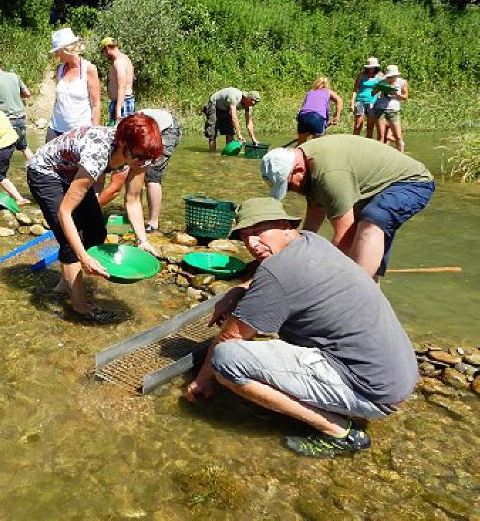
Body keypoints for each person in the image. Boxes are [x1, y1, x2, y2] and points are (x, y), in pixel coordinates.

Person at [185, 198, 419, 458]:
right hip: (397, 378)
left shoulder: (277, 272)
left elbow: (231, 336)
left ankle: (339, 432)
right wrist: (240, 290)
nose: (252, 243)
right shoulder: (312, 241)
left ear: (286, 226)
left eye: (259, 232)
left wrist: (203, 379)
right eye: (245, 236)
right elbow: (275, 276)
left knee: (225, 360)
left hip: (371, 392)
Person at [27, 114, 163, 316]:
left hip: (73, 171)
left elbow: (133, 200)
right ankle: (79, 308)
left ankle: (64, 285)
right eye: (138, 156)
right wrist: (83, 257)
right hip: (45, 171)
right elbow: (65, 211)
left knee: (96, 233)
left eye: (148, 158)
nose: (142, 162)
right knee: (70, 241)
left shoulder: (140, 155)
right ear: (122, 143)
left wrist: (142, 240)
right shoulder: (98, 153)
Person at [260, 135, 435, 279]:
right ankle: (370, 298)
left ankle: (358, 290)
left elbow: (344, 237)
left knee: (371, 221)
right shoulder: (305, 161)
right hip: (371, 188)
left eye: (289, 186)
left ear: (298, 170)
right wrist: (299, 249)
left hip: (412, 182)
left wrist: (321, 273)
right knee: (362, 246)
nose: (291, 190)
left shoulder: (329, 175)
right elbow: (315, 210)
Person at [98, 108, 183, 233]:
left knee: (151, 176)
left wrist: (92, 208)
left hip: (167, 128)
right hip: (141, 134)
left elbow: (115, 189)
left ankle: (153, 223)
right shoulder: (108, 149)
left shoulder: (126, 151)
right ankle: (135, 216)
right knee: (135, 166)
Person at [46, 27, 101, 142]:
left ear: (67, 49)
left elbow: (96, 105)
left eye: (57, 51)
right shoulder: (59, 69)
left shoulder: (89, 69)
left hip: (80, 132)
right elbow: (59, 100)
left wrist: (94, 133)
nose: (56, 55)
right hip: (55, 129)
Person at [0, 56, 34, 161]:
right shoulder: (14, 76)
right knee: (23, 147)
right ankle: (35, 166)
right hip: (20, 118)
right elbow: (27, 94)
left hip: (6, 121)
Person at [203, 87, 260, 152]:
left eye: (256, 102)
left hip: (226, 107)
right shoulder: (234, 97)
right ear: (247, 98)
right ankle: (212, 154)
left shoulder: (249, 105)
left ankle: (228, 153)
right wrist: (239, 135)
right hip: (214, 104)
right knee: (212, 132)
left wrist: (253, 139)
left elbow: (249, 123)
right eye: (253, 101)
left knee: (230, 131)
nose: (254, 104)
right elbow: (234, 118)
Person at [372, 64, 409, 152]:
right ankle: (380, 155)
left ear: (396, 75)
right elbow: (372, 93)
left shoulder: (402, 82)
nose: (390, 78)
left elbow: (405, 97)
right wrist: (378, 89)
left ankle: (401, 155)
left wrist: (398, 95)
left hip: (393, 110)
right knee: (381, 136)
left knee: (398, 137)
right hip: (380, 109)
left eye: (392, 76)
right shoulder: (382, 81)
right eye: (389, 76)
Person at [296, 76, 343, 144]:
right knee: (317, 145)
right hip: (317, 117)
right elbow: (339, 100)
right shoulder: (328, 92)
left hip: (303, 117)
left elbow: (304, 108)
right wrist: (337, 116)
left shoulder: (309, 92)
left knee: (300, 144)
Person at [100, 37, 135, 123]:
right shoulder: (125, 58)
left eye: (102, 52)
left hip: (122, 103)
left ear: (107, 48)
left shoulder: (118, 62)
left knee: (121, 130)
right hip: (124, 101)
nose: (104, 55)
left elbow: (122, 85)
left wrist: (118, 110)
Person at [350, 57, 382, 138]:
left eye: (372, 67)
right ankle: (354, 141)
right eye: (369, 67)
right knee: (358, 125)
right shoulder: (361, 75)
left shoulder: (380, 75)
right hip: (360, 101)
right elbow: (355, 90)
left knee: (370, 126)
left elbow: (383, 88)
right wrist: (352, 103)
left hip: (373, 102)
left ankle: (368, 143)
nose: (371, 69)